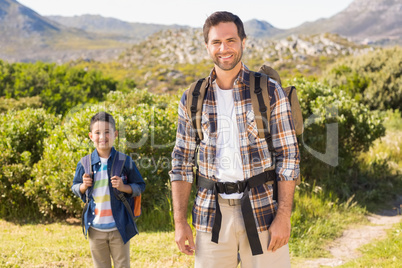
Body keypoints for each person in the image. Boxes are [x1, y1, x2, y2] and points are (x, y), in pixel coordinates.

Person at [169, 11, 300, 267]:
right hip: (211, 215)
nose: (224, 48)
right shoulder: (192, 97)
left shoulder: (268, 90)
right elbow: (181, 162)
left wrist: (283, 215)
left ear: (243, 41)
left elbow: (288, 155)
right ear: (207, 46)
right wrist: (180, 222)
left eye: (231, 40)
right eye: (216, 42)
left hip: (263, 210)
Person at [72, 111, 145, 268]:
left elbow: (140, 186)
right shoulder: (85, 162)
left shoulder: (124, 161)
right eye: (98, 133)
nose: (102, 137)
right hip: (95, 229)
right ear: (91, 136)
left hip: (119, 228)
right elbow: (75, 187)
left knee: (122, 265)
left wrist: (124, 187)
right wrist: (84, 186)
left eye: (107, 132)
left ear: (115, 134)